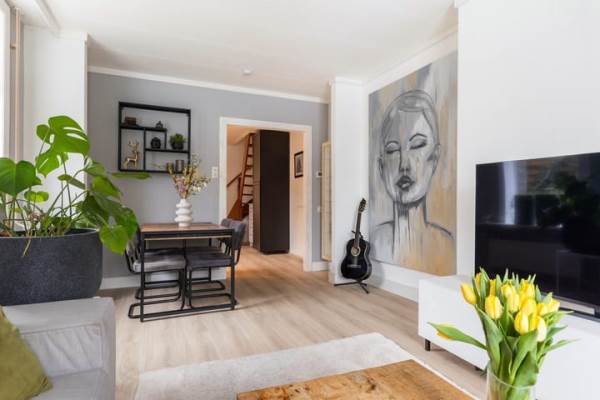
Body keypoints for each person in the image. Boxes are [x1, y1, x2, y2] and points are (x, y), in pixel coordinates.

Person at [371, 89, 454, 274]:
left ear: (435, 157)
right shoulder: (373, 242)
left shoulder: (449, 247)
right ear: (381, 167)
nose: (404, 165)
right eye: (392, 150)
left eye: (417, 145)